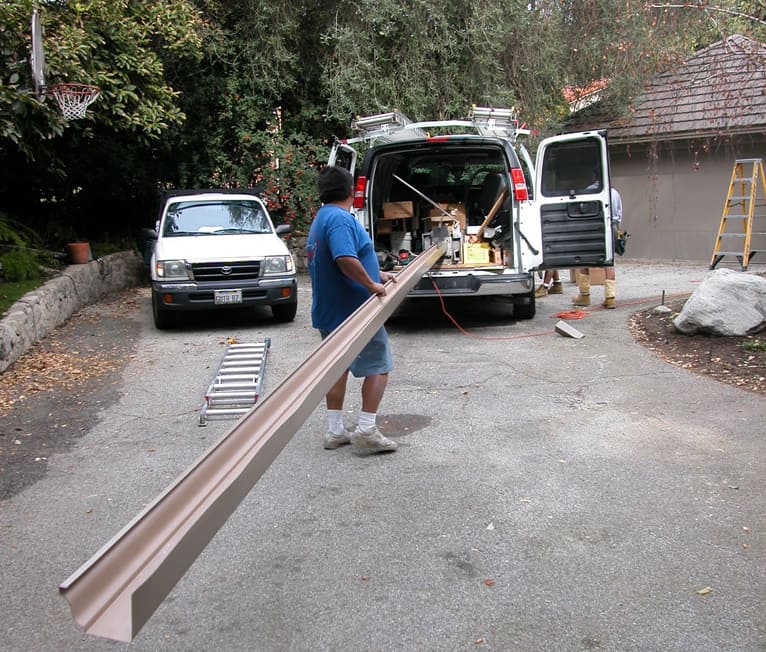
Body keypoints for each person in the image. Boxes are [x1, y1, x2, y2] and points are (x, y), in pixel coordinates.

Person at [306, 166, 399, 454]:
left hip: (330, 313)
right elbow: (345, 258)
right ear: (352, 192)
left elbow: (338, 262)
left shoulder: (321, 218)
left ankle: (335, 432)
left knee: (338, 368)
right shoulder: (340, 220)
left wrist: (377, 273)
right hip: (355, 314)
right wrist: (372, 285)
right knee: (379, 366)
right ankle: (367, 430)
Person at [573, 185, 623, 309]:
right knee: (609, 261)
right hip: (612, 226)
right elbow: (619, 212)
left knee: (584, 259)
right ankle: (610, 297)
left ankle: (584, 296)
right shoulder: (615, 193)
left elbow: (584, 210)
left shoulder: (591, 190)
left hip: (593, 226)